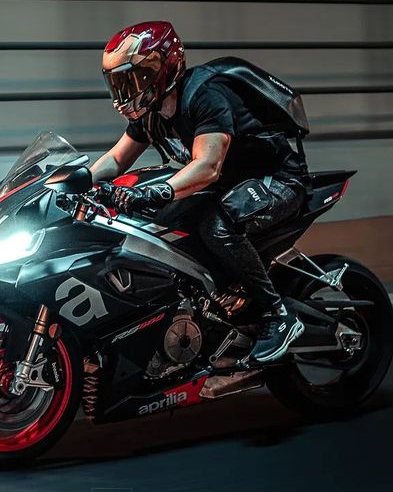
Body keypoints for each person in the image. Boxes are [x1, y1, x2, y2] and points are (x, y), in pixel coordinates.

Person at [90, 20, 307, 364]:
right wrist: (75, 181)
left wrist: (158, 191)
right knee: (163, 225)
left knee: (217, 226)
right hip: (230, 186)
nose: (126, 90)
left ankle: (279, 316)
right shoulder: (150, 115)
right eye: (118, 82)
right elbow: (116, 160)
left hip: (276, 178)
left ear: (162, 69)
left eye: (133, 79)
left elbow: (207, 166)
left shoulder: (203, 95)